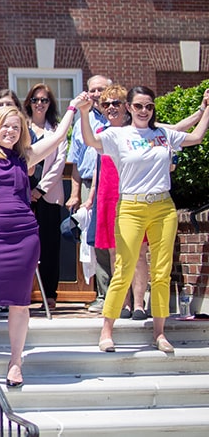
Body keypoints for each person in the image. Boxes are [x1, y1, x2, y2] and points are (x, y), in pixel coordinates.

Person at [0, 91, 88, 387]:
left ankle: (16, 363)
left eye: (16, 127)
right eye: (5, 126)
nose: (10, 131)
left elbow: (56, 140)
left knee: (20, 303)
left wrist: (70, 108)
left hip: (25, 236)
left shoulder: (25, 157)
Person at [80, 85, 209, 354]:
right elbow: (91, 141)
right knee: (124, 269)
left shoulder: (162, 133)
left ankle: (159, 333)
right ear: (129, 107)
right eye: (138, 106)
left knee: (160, 273)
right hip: (130, 206)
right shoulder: (118, 134)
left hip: (163, 207)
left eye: (148, 106)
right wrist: (82, 113)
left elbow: (196, 137)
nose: (143, 111)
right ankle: (107, 331)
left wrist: (206, 109)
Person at [67, 75, 113, 312]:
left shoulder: (118, 118)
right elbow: (75, 162)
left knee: (108, 241)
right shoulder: (80, 122)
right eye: (92, 90)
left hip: (112, 185)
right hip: (87, 184)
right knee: (92, 241)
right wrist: (75, 194)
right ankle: (103, 294)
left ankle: (114, 296)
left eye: (101, 89)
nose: (96, 94)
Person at [24, 83, 67, 310]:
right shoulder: (21, 128)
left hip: (48, 196)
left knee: (50, 246)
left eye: (44, 100)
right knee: (25, 247)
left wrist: (40, 190)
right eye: (35, 100)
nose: (39, 104)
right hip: (22, 195)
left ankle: (49, 294)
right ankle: (23, 294)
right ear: (28, 103)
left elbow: (59, 164)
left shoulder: (57, 130)